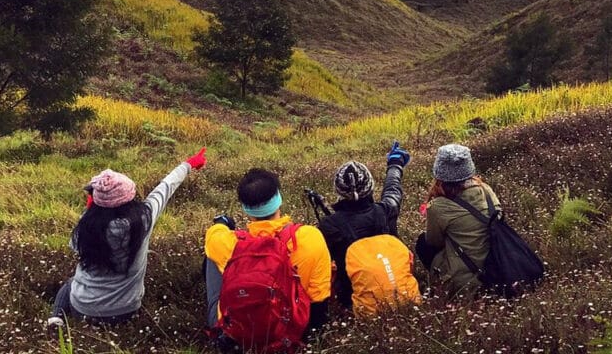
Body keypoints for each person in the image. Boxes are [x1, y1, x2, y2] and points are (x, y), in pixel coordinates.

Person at [46, 148, 207, 331]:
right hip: (125, 311)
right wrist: (189, 164)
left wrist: (89, 210)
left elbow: (77, 248)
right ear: (129, 198)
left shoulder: (87, 225)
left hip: (83, 309)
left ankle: (56, 318)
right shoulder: (143, 220)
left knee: (70, 284)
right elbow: (166, 186)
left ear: (96, 200)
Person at [204, 168, 331, 352]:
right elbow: (319, 296)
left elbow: (213, 235)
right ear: (279, 199)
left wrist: (221, 223)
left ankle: (219, 335)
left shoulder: (228, 243)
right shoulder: (309, 236)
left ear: (245, 208)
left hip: (238, 336)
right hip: (294, 332)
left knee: (212, 260)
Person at [317, 142, 410, 312]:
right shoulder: (387, 210)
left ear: (339, 190)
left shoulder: (328, 226)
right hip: (398, 289)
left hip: (352, 299)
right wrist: (395, 165)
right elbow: (392, 190)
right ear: (370, 186)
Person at [414, 143, 502, 296]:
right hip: (500, 271)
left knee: (423, 243)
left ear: (439, 172)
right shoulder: (487, 191)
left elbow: (434, 242)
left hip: (465, 285)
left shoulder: (438, 206)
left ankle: (442, 284)